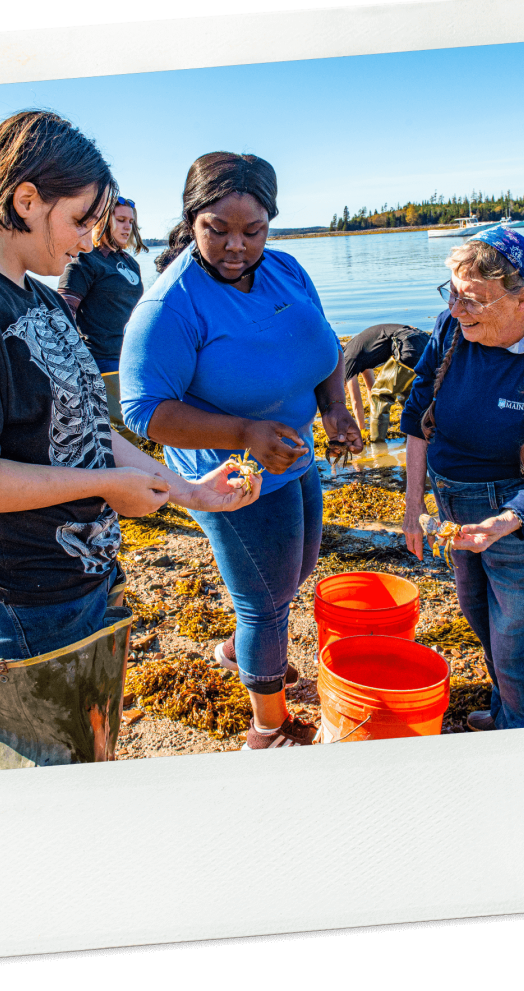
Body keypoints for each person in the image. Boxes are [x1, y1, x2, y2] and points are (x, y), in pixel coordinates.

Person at [0, 112, 260, 768]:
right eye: (79, 220)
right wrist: (104, 484)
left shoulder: (39, 301)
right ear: (26, 201)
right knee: (47, 785)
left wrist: (186, 491)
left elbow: (89, 425)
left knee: (90, 758)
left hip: (85, 581)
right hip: (16, 600)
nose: (88, 240)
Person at [120, 151, 363, 749]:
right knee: (266, 601)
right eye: (216, 230)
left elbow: (324, 345)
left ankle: (236, 652)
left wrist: (334, 408)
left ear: (270, 223)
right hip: (234, 479)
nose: (236, 246)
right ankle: (269, 730)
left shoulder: (287, 270)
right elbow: (144, 411)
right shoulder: (170, 305)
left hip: (294, 458)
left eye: (252, 231)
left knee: (298, 571)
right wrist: (243, 434)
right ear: (190, 221)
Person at [400, 226, 524, 731]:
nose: (456, 311)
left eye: (474, 301)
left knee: (523, 644)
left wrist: (510, 519)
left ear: (523, 297)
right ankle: (511, 713)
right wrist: (413, 507)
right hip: (455, 506)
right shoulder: (452, 327)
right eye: (453, 295)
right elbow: (417, 410)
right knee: (483, 618)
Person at [58, 195, 148, 446]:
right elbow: (63, 312)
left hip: (131, 359)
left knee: (137, 428)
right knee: (120, 434)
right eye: (120, 220)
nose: (127, 227)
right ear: (102, 222)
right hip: (103, 362)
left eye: (130, 221)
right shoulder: (85, 260)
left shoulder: (129, 262)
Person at [342, 323, 430, 440]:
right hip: (423, 340)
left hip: (407, 344)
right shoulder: (357, 350)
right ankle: (419, 434)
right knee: (406, 395)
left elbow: (355, 400)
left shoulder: (347, 359)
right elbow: (370, 388)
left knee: (381, 395)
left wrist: (361, 429)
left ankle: (376, 442)